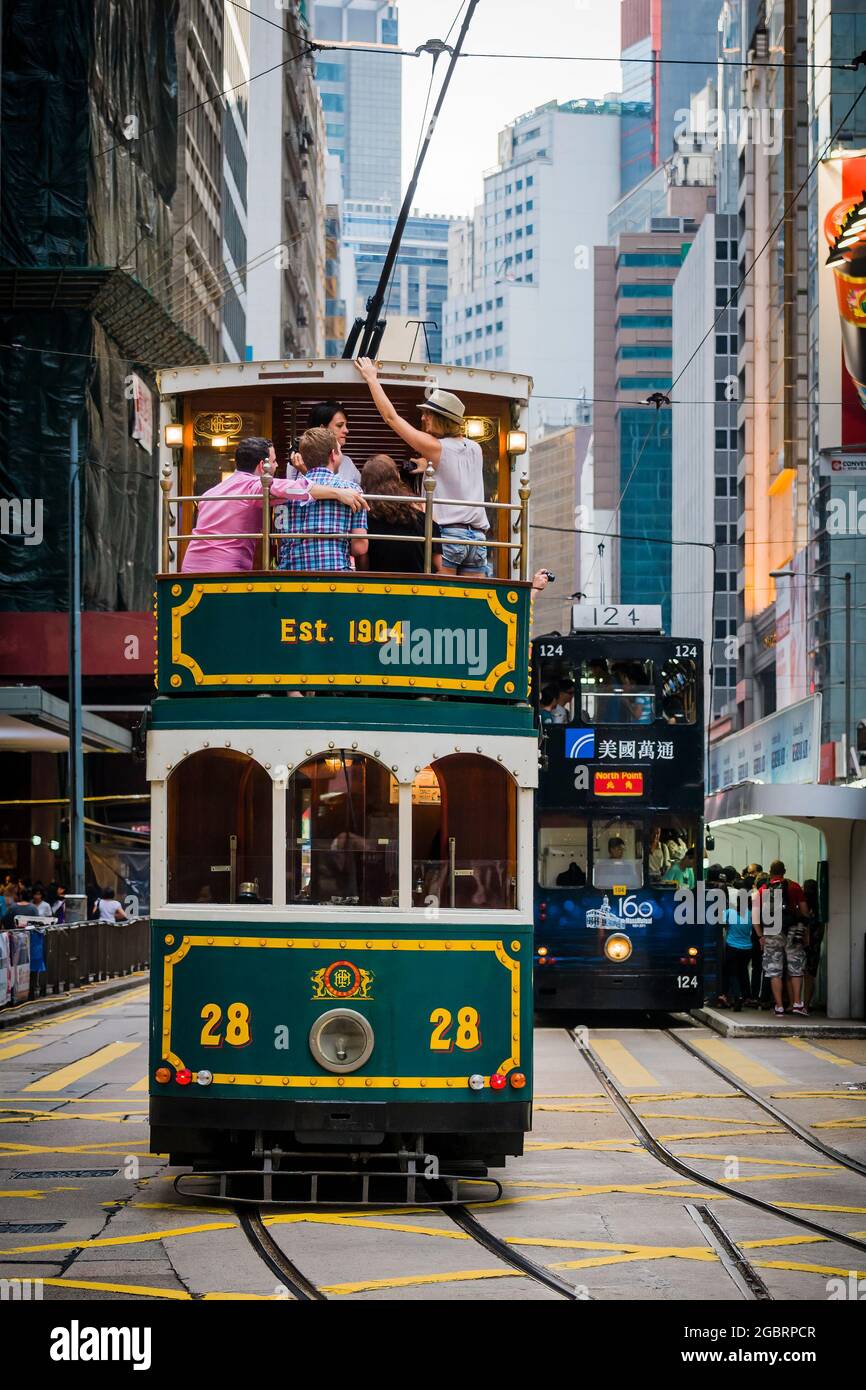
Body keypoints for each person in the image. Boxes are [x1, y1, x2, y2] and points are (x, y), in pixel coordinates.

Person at [355, 358, 490, 576]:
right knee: (467, 605)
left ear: (440, 419)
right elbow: (455, 466)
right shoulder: (475, 448)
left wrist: (372, 378)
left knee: (442, 600)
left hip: (449, 536)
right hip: (478, 539)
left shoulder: (436, 448)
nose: (422, 417)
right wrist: (426, 465)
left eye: (428, 414)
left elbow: (391, 418)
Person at [181, 436, 365, 574]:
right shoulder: (256, 486)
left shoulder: (211, 493)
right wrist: (339, 493)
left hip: (190, 566)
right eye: (275, 461)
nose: (277, 466)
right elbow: (296, 488)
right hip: (223, 569)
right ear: (263, 466)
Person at [277, 428, 368, 572]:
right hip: (336, 574)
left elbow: (282, 538)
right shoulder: (352, 490)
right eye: (339, 450)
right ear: (333, 455)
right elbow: (360, 547)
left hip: (290, 576)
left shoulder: (284, 495)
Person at [356, 454, 442, 573]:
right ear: (397, 476)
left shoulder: (363, 516)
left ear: (365, 482)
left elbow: (363, 566)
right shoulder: (423, 508)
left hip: (376, 584)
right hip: (420, 584)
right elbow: (437, 564)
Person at [753, 859, 810, 1016]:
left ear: (770, 873)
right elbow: (804, 912)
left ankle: (779, 1007)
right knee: (796, 967)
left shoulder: (763, 889)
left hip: (772, 931)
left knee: (774, 970)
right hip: (792, 930)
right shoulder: (794, 886)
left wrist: (760, 936)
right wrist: (804, 927)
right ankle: (798, 1003)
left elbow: (755, 917)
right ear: (784, 871)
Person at [717, 876, 753, 1012]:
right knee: (743, 972)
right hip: (747, 948)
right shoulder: (751, 915)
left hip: (732, 947)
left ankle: (736, 997)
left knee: (732, 973)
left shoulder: (730, 913)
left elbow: (721, 924)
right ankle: (746, 996)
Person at [803, 878, 824, 1009]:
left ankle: (798, 1002)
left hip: (803, 944)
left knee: (797, 973)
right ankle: (806, 1003)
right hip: (814, 945)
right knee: (810, 975)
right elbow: (821, 930)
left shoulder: (804, 907)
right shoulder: (819, 909)